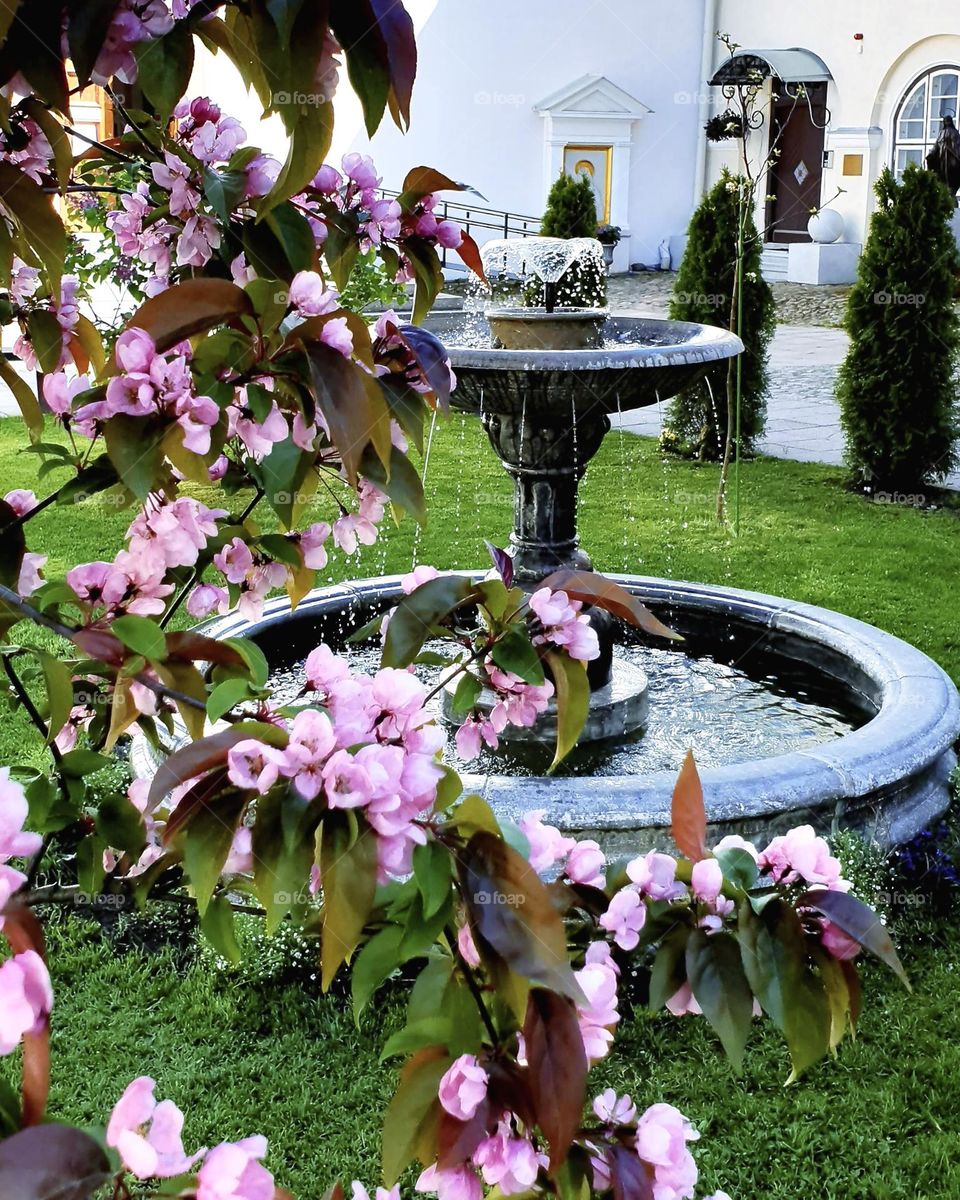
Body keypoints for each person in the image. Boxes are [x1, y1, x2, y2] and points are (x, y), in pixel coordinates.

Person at [925, 114, 960, 203]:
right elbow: (936, 146)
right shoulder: (941, 133)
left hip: (953, 162)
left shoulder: (955, 133)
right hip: (942, 161)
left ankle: (951, 194)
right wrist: (931, 154)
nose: (947, 123)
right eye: (945, 121)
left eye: (948, 121)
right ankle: (946, 194)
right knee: (942, 178)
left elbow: (958, 146)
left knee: (952, 180)